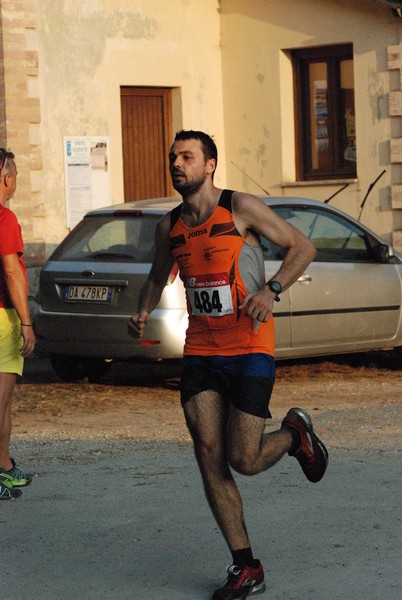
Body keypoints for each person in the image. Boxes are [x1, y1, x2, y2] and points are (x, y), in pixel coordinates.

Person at [128, 130, 328, 599]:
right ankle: (246, 566)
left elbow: (303, 247)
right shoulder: (170, 226)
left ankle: (295, 436)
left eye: (187, 156)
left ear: (210, 164)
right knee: (209, 456)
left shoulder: (240, 207)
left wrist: (271, 290)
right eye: (173, 156)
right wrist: (142, 309)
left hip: (250, 349)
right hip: (201, 352)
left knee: (245, 458)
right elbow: (159, 274)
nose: (177, 163)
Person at [0, 148, 35, 500]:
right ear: (7, 179)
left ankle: (6, 467)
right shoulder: (4, 219)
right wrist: (26, 322)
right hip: (2, 319)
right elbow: (12, 272)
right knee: (0, 401)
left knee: (4, 403)